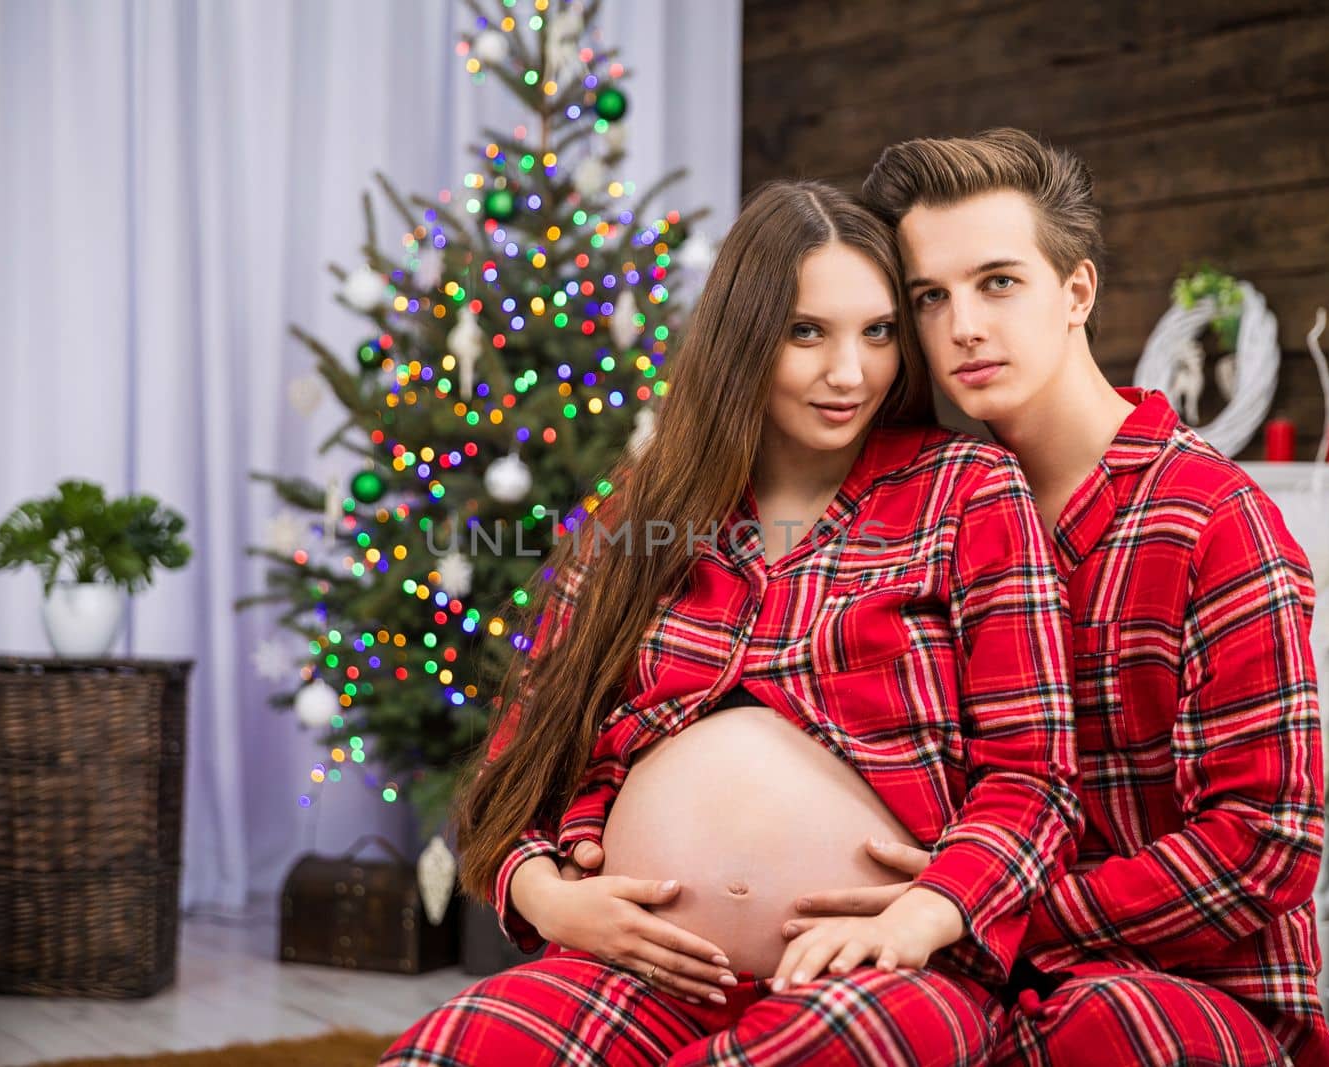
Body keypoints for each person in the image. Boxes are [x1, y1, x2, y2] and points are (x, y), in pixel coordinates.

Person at [380, 179, 1082, 1066]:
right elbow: (514, 766)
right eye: (806, 333)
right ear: (744, 339)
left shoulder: (966, 491)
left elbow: (1035, 776)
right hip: (634, 972)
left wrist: (926, 913)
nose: (850, 373)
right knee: (451, 1050)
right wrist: (549, 899)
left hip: (877, 977)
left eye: (876, 333)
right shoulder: (644, 511)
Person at [773, 128, 1329, 1067]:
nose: (963, 326)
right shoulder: (913, 503)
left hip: (1183, 988)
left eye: (998, 282)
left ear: (1076, 292)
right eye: (928, 298)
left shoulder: (1211, 524)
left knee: (1101, 1028)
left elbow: (1262, 844)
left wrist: (974, 906)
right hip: (949, 964)